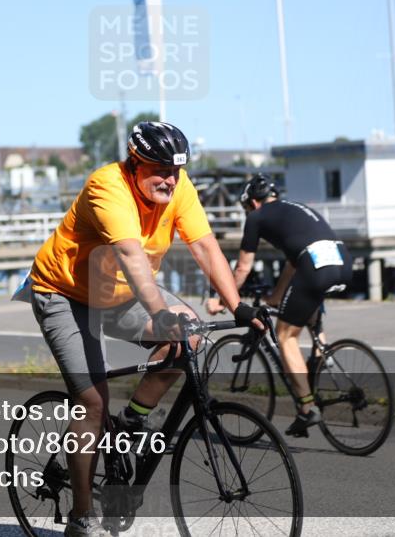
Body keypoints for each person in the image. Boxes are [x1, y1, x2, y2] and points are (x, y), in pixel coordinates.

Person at [28, 121, 264, 537]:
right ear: (134, 164)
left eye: (176, 171)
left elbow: (205, 246)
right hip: (65, 294)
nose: (170, 180)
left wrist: (238, 306)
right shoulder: (108, 186)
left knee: (190, 338)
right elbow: (129, 254)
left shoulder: (179, 186)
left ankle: (133, 422)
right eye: (159, 169)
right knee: (91, 404)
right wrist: (159, 313)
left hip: (119, 294)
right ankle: (81, 517)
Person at [206, 173, 353, 437]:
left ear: (252, 202)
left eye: (247, 208)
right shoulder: (294, 209)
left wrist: (220, 300)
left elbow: (242, 268)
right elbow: (293, 262)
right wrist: (275, 296)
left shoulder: (256, 217)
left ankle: (307, 408)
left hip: (315, 267)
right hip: (341, 261)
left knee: (285, 335)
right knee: (308, 316)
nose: (248, 212)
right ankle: (315, 373)